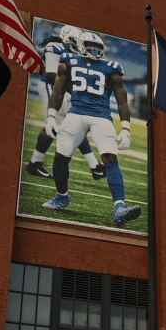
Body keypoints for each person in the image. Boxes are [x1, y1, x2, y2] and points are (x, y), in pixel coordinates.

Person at [41, 29, 141, 227]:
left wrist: (126, 129)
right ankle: (62, 196)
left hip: (101, 116)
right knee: (60, 157)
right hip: (75, 113)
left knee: (111, 159)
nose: (95, 51)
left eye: (98, 48)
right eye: (91, 47)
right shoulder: (68, 60)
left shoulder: (112, 68)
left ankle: (120, 207)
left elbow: (122, 102)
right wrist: (51, 116)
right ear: (80, 46)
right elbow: (59, 90)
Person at [26, 24, 106, 180]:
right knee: (55, 125)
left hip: (65, 90)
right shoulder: (55, 47)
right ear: (66, 39)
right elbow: (51, 73)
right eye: (75, 41)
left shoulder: (76, 54)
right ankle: (35, 163)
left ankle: (95, 166)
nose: (78, 45)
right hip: (52, 87)